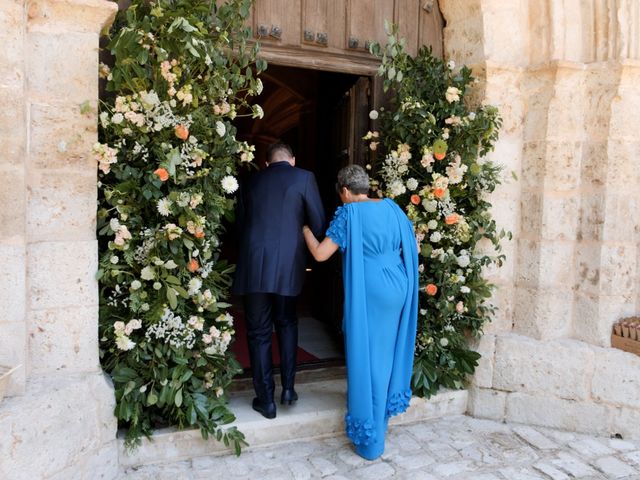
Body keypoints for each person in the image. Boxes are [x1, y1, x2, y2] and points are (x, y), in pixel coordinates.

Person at [302, 164, 418, 460]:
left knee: (371, 360)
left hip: (373, 289)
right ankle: (380, 421)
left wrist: (304, 230)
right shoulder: (392, 208)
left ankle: (371, 440)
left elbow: (320, 253)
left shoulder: (349, 214)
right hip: (399, 283)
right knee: (386, 355)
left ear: (344, 191)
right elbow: (411, 244)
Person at [233, 142, 325, 419]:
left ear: (266, 162)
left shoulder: (250, 181)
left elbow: (238, 225)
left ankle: (265, 401)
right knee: (286, 323)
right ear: (292, 160)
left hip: (253, 264)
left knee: (258, 333)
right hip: (288, 264)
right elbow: (319, 223)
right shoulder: (304, 177)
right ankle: (288, 389)